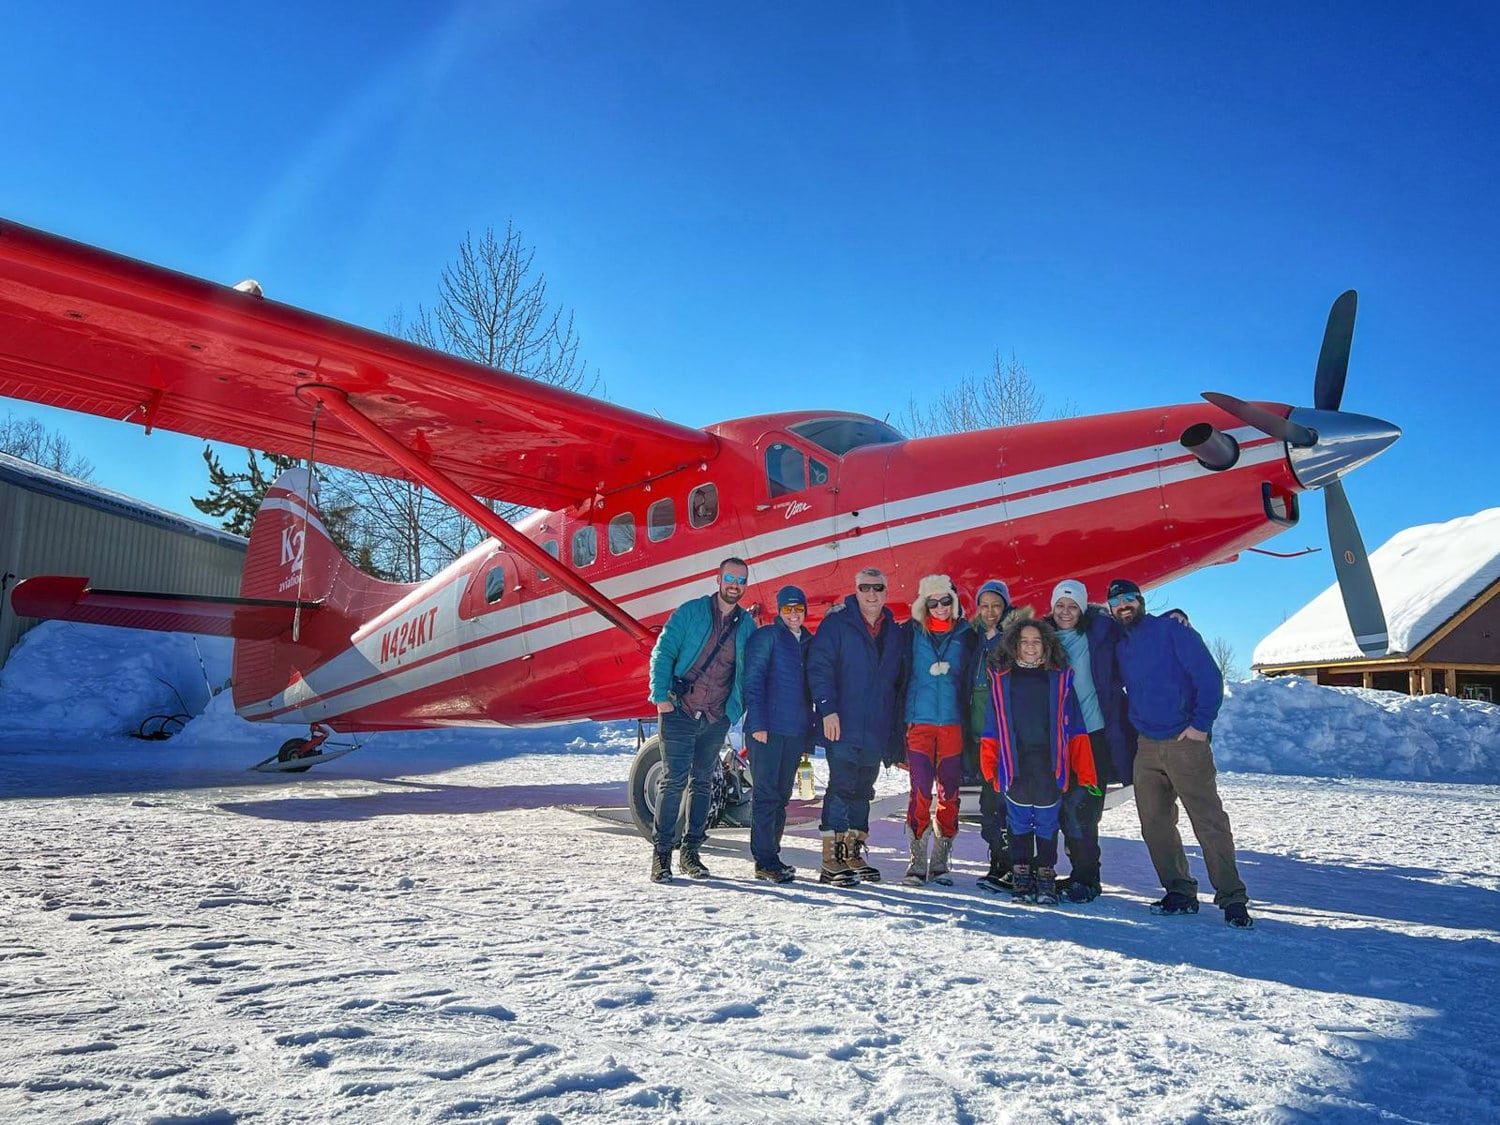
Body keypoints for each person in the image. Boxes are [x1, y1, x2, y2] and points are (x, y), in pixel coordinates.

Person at [1107, 578, 1254, 929]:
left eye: (1129, 599)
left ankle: (1232, 898)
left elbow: (1208, 677)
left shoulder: (1172, 630)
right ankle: (1179, 892)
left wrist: (1200, 725)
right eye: (1116, 602)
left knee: (1208, 821)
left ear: (1140, 601)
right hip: (1147, 745)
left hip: (1184, 741)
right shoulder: (1121, 645)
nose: (1123, 606)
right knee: (1155, 824)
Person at [646, 557, 758, 883]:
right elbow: (663, 650)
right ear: (718, 579)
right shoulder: (691, 612)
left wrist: (733, 712)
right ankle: (662, 856)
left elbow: (751, 670)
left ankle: (691, 853)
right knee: (673, 782)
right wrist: (661, 696)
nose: (735, 584)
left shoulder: (746, 626)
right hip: (680, 710)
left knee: (703, 783)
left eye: (741, 579)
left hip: (715, 717)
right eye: (729, 577)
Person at [978, 618, 1096, 905]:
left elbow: (1077, 728)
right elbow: (991, 727)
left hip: (1049, 763)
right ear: (1015, 646)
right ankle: (1021, 876)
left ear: (1046, 647)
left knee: (1046, 820)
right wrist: (990, 767)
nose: (1030, 647)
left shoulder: (1058, 679)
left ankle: (1045, 875)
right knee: (1018, 820)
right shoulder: (1003, 679)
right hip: (1015, 763)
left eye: (1036, 642)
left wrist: (1085, 771)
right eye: (1024, 642)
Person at [807, 566, 907, 885]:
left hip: (876, 726)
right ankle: (830, 859)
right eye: (865, 588)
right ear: (856, 590)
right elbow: (819, 667)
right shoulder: (838, 624)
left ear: (886, 592)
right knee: (841, 785)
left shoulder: (893, 630)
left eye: (878, 588)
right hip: (844, 723)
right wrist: (827, 709)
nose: (872, 594)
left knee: (864, 789)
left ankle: (851, 851)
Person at [1043, 579, 1135, 903]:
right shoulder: (1038, 638)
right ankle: (1045, 872)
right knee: (1050, 808)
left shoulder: (1100, 634)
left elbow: (1136, 639)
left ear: (1082, 609)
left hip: (1091, 736)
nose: (1065, 612)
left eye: (1072, 606)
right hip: (1053, 739)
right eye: (1060, 606)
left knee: (1082, 809)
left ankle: (1087, 877)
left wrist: (1175, 618)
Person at [899, 574, 978, 886]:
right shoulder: (910, 633)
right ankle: (917, 858)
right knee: (919, 789)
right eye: (933, 602)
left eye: (946, 601)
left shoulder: (966, 634)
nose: (940, 607)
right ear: (924, 604)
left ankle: (941, 859)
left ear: (954, 602)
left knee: (949, 791)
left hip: (953, 723)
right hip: (919, 722)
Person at [742, 585, 816, 883]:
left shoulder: (808, 641)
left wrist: (807, 736)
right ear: (780, 611)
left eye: (799, 609)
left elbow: (811, 690)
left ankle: (773, 854)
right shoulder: (767, 637)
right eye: (788, 609)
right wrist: (757, 724)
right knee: (765, 794)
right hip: (767, 730)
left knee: (782, 796)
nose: (794, 615)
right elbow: (753, 681)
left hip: (794, 730)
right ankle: (764, 859)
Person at [961, 579, 1018, 892]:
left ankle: (1012, 865)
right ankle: (998, 861)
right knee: (989, 803)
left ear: (1005, 606)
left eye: (996, 605)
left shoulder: (1013, 639)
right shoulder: (975, 639)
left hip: (1005, 737)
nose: (990, 611)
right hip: (979, 736)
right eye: (984, 606)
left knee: (1004, 801)